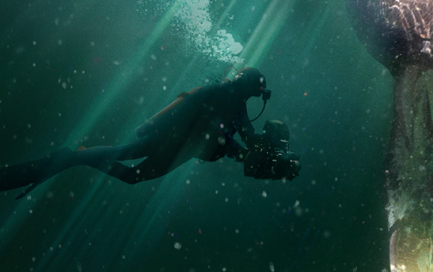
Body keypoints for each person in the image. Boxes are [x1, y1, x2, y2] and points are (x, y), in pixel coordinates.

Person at [1, 67, 273, 199]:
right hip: (172, 139)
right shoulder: (219, 92)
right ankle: (76, 157)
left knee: (130, 174)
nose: (254, 93)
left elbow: (246, 133)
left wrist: (260, 144)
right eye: (255, 88)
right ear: (247, 83)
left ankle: (80, 157)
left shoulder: (239, 106)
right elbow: (186, 102)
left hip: (183, 148)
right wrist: (153, 125)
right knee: (124, 156)